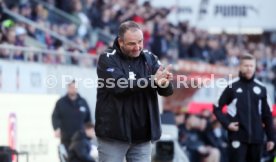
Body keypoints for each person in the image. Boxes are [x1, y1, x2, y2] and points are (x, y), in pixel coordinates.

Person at [95, 21, 174, 162]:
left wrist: (164, 82)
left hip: (142, 137)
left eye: (140, 42)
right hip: (114, 135)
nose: (137, 47)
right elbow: (119, 86)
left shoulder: (150, 58)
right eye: (132, 43)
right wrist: (152, 81)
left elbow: (166, 92)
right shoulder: (107, 59)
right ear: (120, 41)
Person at [214, 54, 275, 162]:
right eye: (246, 66)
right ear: (240, 67)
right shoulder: (231, 86)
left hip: (257, 139)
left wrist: (271, 138)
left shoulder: (261, 88)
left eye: (251, 66)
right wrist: (227, 124)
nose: (249, 68)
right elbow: (216, 107)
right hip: (237, 137)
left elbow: (267, 115)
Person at [52, 80, 92, 161]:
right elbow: (55, 116)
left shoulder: (83, 102)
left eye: (74, 87)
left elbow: (88, 120)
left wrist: (90, 132)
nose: (72, 89)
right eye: (71, 87)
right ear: (67, 88)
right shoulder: (61, 102)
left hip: (81, 141)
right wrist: (56, 128)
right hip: (66, 139)